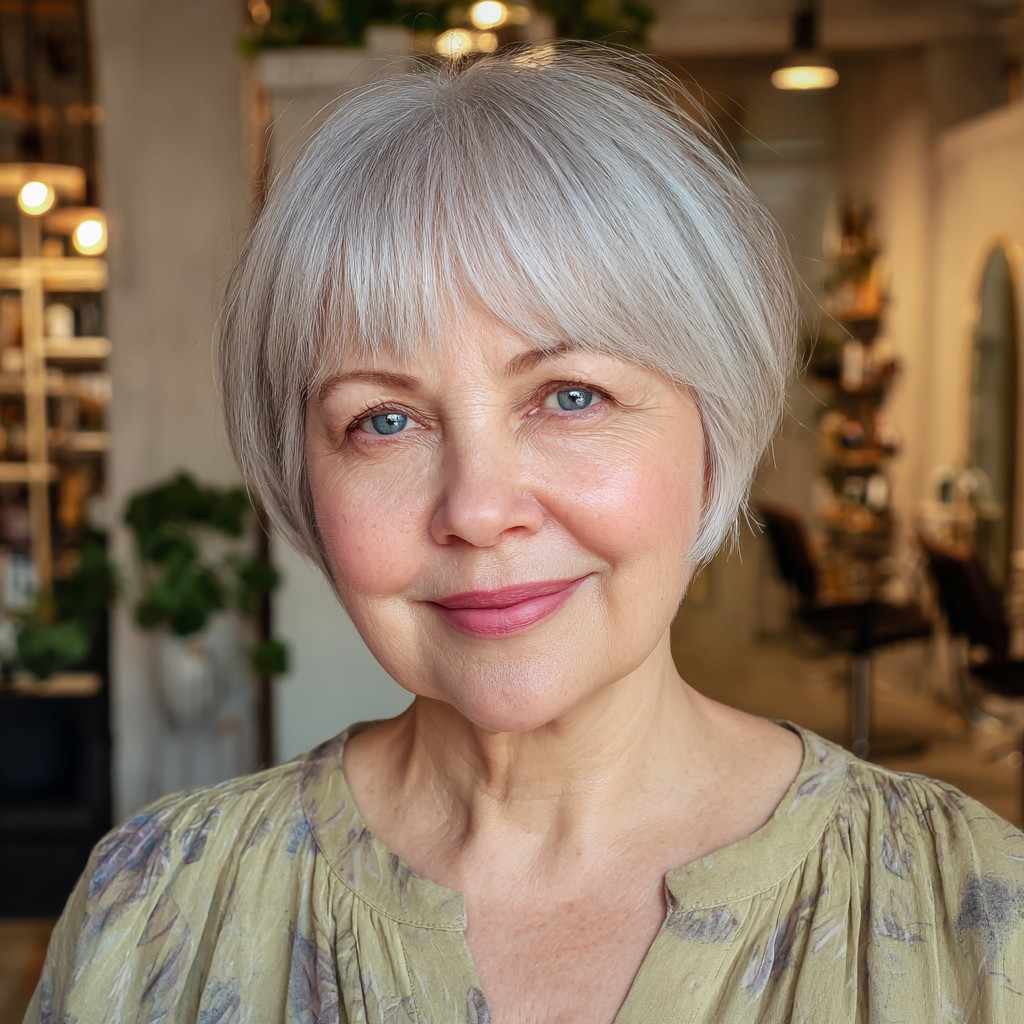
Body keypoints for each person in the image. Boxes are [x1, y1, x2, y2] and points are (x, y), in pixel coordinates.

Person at [27, 43, 1024, 1024]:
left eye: (570, 395)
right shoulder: (151, 912)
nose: (475, 506)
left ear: (712, 431)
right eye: (383, 419)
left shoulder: (981, 924)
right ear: (302, 475)